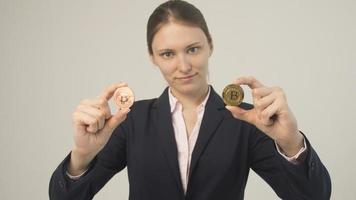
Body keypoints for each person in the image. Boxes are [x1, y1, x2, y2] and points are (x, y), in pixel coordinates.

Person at [49, 0, 331, 199]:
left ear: (210, 45)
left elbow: (314, 196)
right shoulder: (130, 120)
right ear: (153, 57)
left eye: (193, 49)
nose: (183, 66)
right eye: (168, 54)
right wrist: (82, 156)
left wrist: (291, 142)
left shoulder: (246, 119)